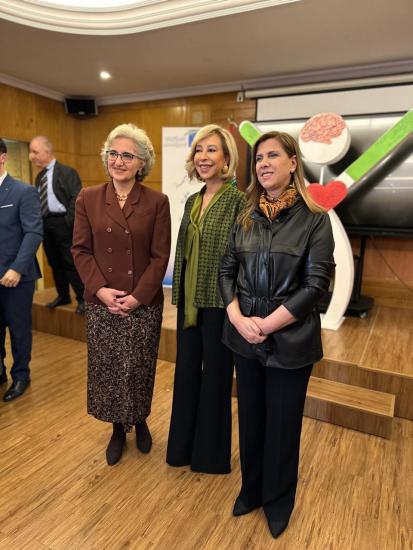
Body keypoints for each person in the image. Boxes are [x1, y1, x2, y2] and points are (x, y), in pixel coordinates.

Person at [218, 131, 335, 538]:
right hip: (243, 338)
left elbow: (316, 286)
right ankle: (251, 490)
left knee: (283, 426)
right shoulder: (245, 217)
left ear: (292, 163)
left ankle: (278, 500)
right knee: (250, 420)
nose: (264, 163)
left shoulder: (315, 218)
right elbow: (226, 271)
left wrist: (265, 325)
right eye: (259, 158)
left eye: (273, 155)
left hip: (290, 342)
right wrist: (237, 318)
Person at [72, 123, 171, 466]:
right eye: (113, 153)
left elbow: (160, 256)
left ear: (142, 162)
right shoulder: (88, 198)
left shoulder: (157, 202)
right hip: (103, 302)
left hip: (142, 303)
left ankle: (140, 419)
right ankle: (117, 428)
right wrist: (100, 290)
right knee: (110, 369)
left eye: (127, 155)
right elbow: (80, 250)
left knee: (139, 367)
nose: (118, 161)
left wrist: (138, 296)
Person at [166, 124, 246, 474]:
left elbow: (241, 257)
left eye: (211, 150)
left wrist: (236, 304)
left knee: (215, 378)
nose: (203, 156)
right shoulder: (192, 200)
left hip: (221, 304)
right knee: (185, 374)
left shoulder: (239, 201)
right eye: (199, 150)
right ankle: (181, 449)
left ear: (226, 158)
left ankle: (210, 457)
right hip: (189, 303)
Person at [0, 138, 43, 401]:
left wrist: (17, 268)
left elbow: (33, 232)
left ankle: (21, 376)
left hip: (16, 276)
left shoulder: (23, 191)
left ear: (3, 157)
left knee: (18, 329)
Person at [29, 136, 85, 314]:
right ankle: (63, 295)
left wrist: (68, 222)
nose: (31, 156)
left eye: (35, 152)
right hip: (46, 224)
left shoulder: (68, 172)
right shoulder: (39, 177)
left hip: (64, 223)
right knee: (54, 262)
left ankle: (83, 298)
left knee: (70, 262)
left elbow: (77, 198)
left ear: (47, 151)